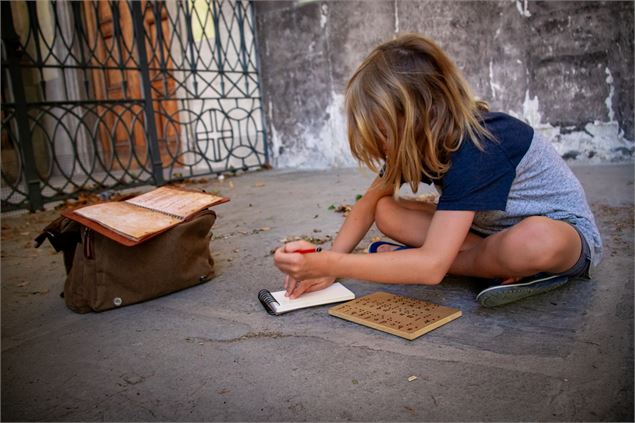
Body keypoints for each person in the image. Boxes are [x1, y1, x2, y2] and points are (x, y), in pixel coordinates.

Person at [273, 33, 602, 307]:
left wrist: (332, 263)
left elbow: (431, 270)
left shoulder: (483, 141)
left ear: (421, 114)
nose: (382, 144)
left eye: (384, 132)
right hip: (483, 237)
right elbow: (368, 204)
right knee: (386, 210)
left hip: (563, 235)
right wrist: (330, 262)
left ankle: (457, 264)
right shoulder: (419, 142)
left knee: (535, 240)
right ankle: (480, 264)